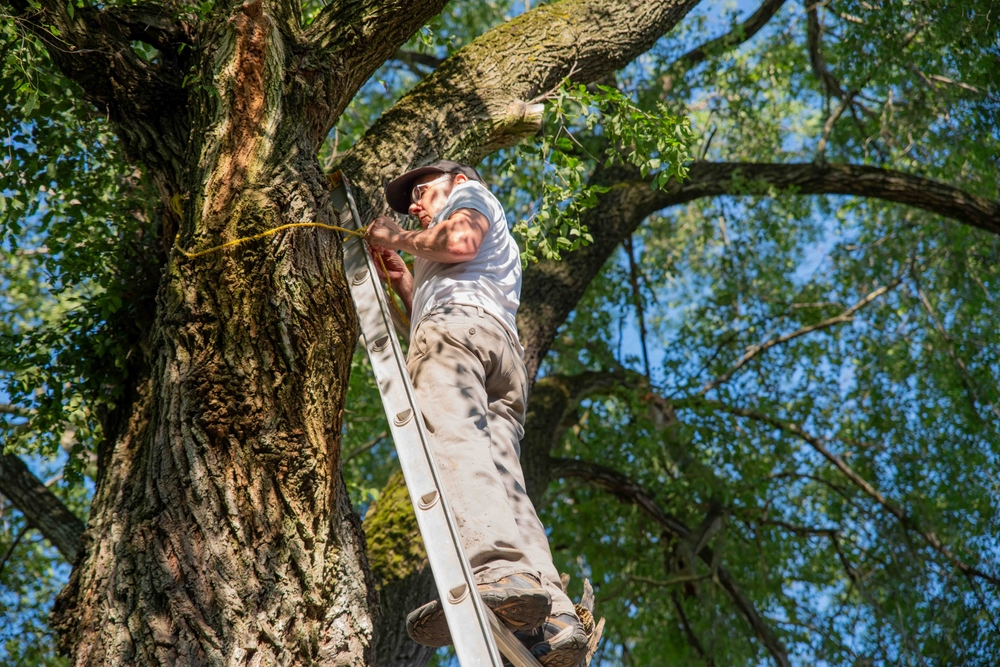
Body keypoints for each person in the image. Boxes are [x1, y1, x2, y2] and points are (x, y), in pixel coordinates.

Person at [365, 160, 588, 667]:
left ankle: (497, 572)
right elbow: (440, 302)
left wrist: (395, 235)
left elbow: (458, 246)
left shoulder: (472, 200)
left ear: (458, 181)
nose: (417, 206)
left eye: (422, 192)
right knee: (506, 482)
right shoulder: (461, 238)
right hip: (494, 351)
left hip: (460, 336)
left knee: (454, 443)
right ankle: (552, 617)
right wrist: (404, 279)